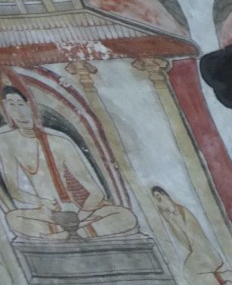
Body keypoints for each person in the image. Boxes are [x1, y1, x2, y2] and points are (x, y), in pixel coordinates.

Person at [0, 85, 137, 240]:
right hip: (49, 213)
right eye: (11, 106)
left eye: (20, 104)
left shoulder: (59, 141)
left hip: (80, 211)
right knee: (13, 219)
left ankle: (63, 235)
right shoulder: (6, 142)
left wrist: (79, 217)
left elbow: (95, 192)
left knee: (126, 216)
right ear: (6, 111)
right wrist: (42, 202)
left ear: (30, 106)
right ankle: (79, 232)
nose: (19, 112)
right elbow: (15, 191)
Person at [150, 185, 232, 285]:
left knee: (193, 271)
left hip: (200, 247)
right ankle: (221, 280)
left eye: (159, 196)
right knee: (193, 271)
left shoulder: (180, 211)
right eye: (156, 199)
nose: (158, 200)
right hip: (195, 249)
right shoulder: (167, 215)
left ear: (165, 195)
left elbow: (193, 232)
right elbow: (180, 235)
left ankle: (221, 281)